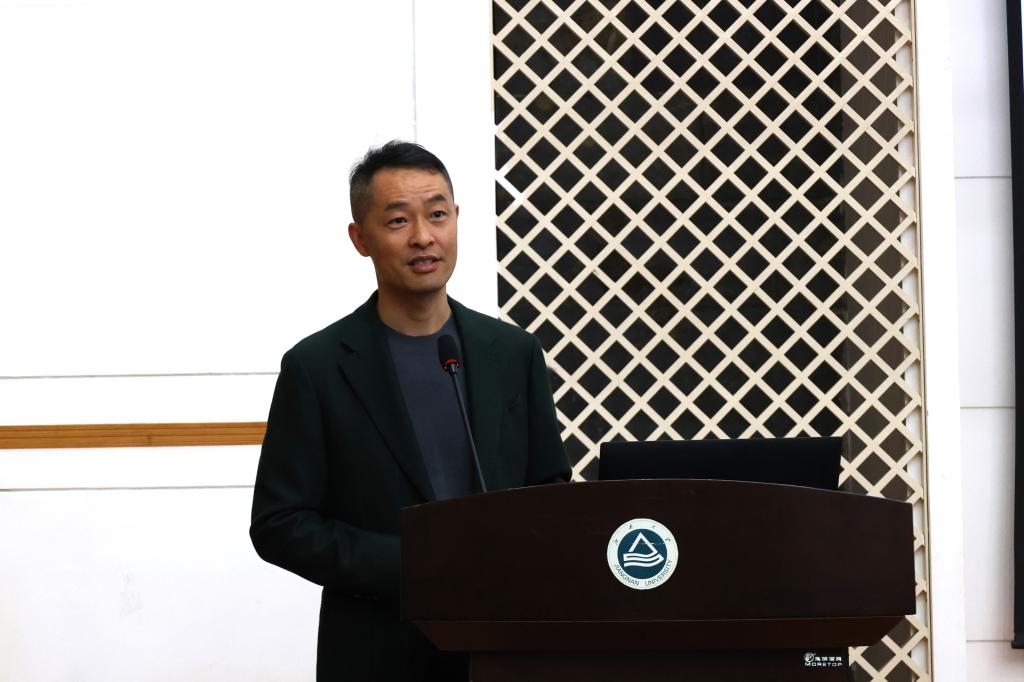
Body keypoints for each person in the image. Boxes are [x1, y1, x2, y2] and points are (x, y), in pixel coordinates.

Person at [249, 140, 570, 681]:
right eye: (398, 220)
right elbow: (280, 524)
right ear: (360, 238)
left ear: (457, 219)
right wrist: (414, 566)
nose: (423, 236)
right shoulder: (318, 367)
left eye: (437, 215)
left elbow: (550, 490)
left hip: (504, 645)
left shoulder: (513, 353)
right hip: (379, 648)